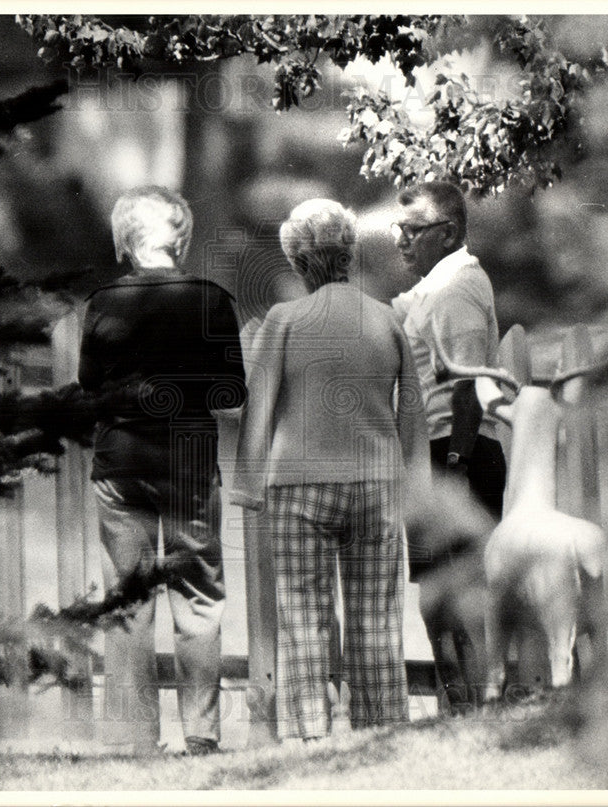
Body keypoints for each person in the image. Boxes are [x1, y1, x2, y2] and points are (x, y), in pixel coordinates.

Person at [231, 199, 429, 741]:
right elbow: (412, 406)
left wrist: (248, 485)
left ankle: (312, 728)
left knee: (304, 616)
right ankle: (382, 725)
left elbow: (261, 401)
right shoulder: (388, 318)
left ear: (296, 260)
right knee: (377, 618)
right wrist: (422, 489)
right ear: (349, 253)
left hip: (299, 485)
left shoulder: (283, 320)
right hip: (379, 485)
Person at [78, 186, 246, 755]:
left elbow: (89, 385)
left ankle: (133, 739)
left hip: (120, 465)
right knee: (198, 594)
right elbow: (230, 393)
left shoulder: (102, 302)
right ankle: (201, 733)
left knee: (129, 602)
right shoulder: (212, 300)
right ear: (183, 238)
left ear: (126, 241)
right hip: (189, 465)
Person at [389, 180, 507, 711]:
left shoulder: (457, 290)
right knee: (438, 593)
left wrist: (453, 467)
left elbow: (467, 387)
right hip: (442, 452)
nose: (400, 241)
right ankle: (458, 702)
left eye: (412, 231)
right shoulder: (442, 286)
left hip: (456, 452)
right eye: (399, 229)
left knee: (455, 593)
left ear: (449, 233)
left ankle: (471, 704)